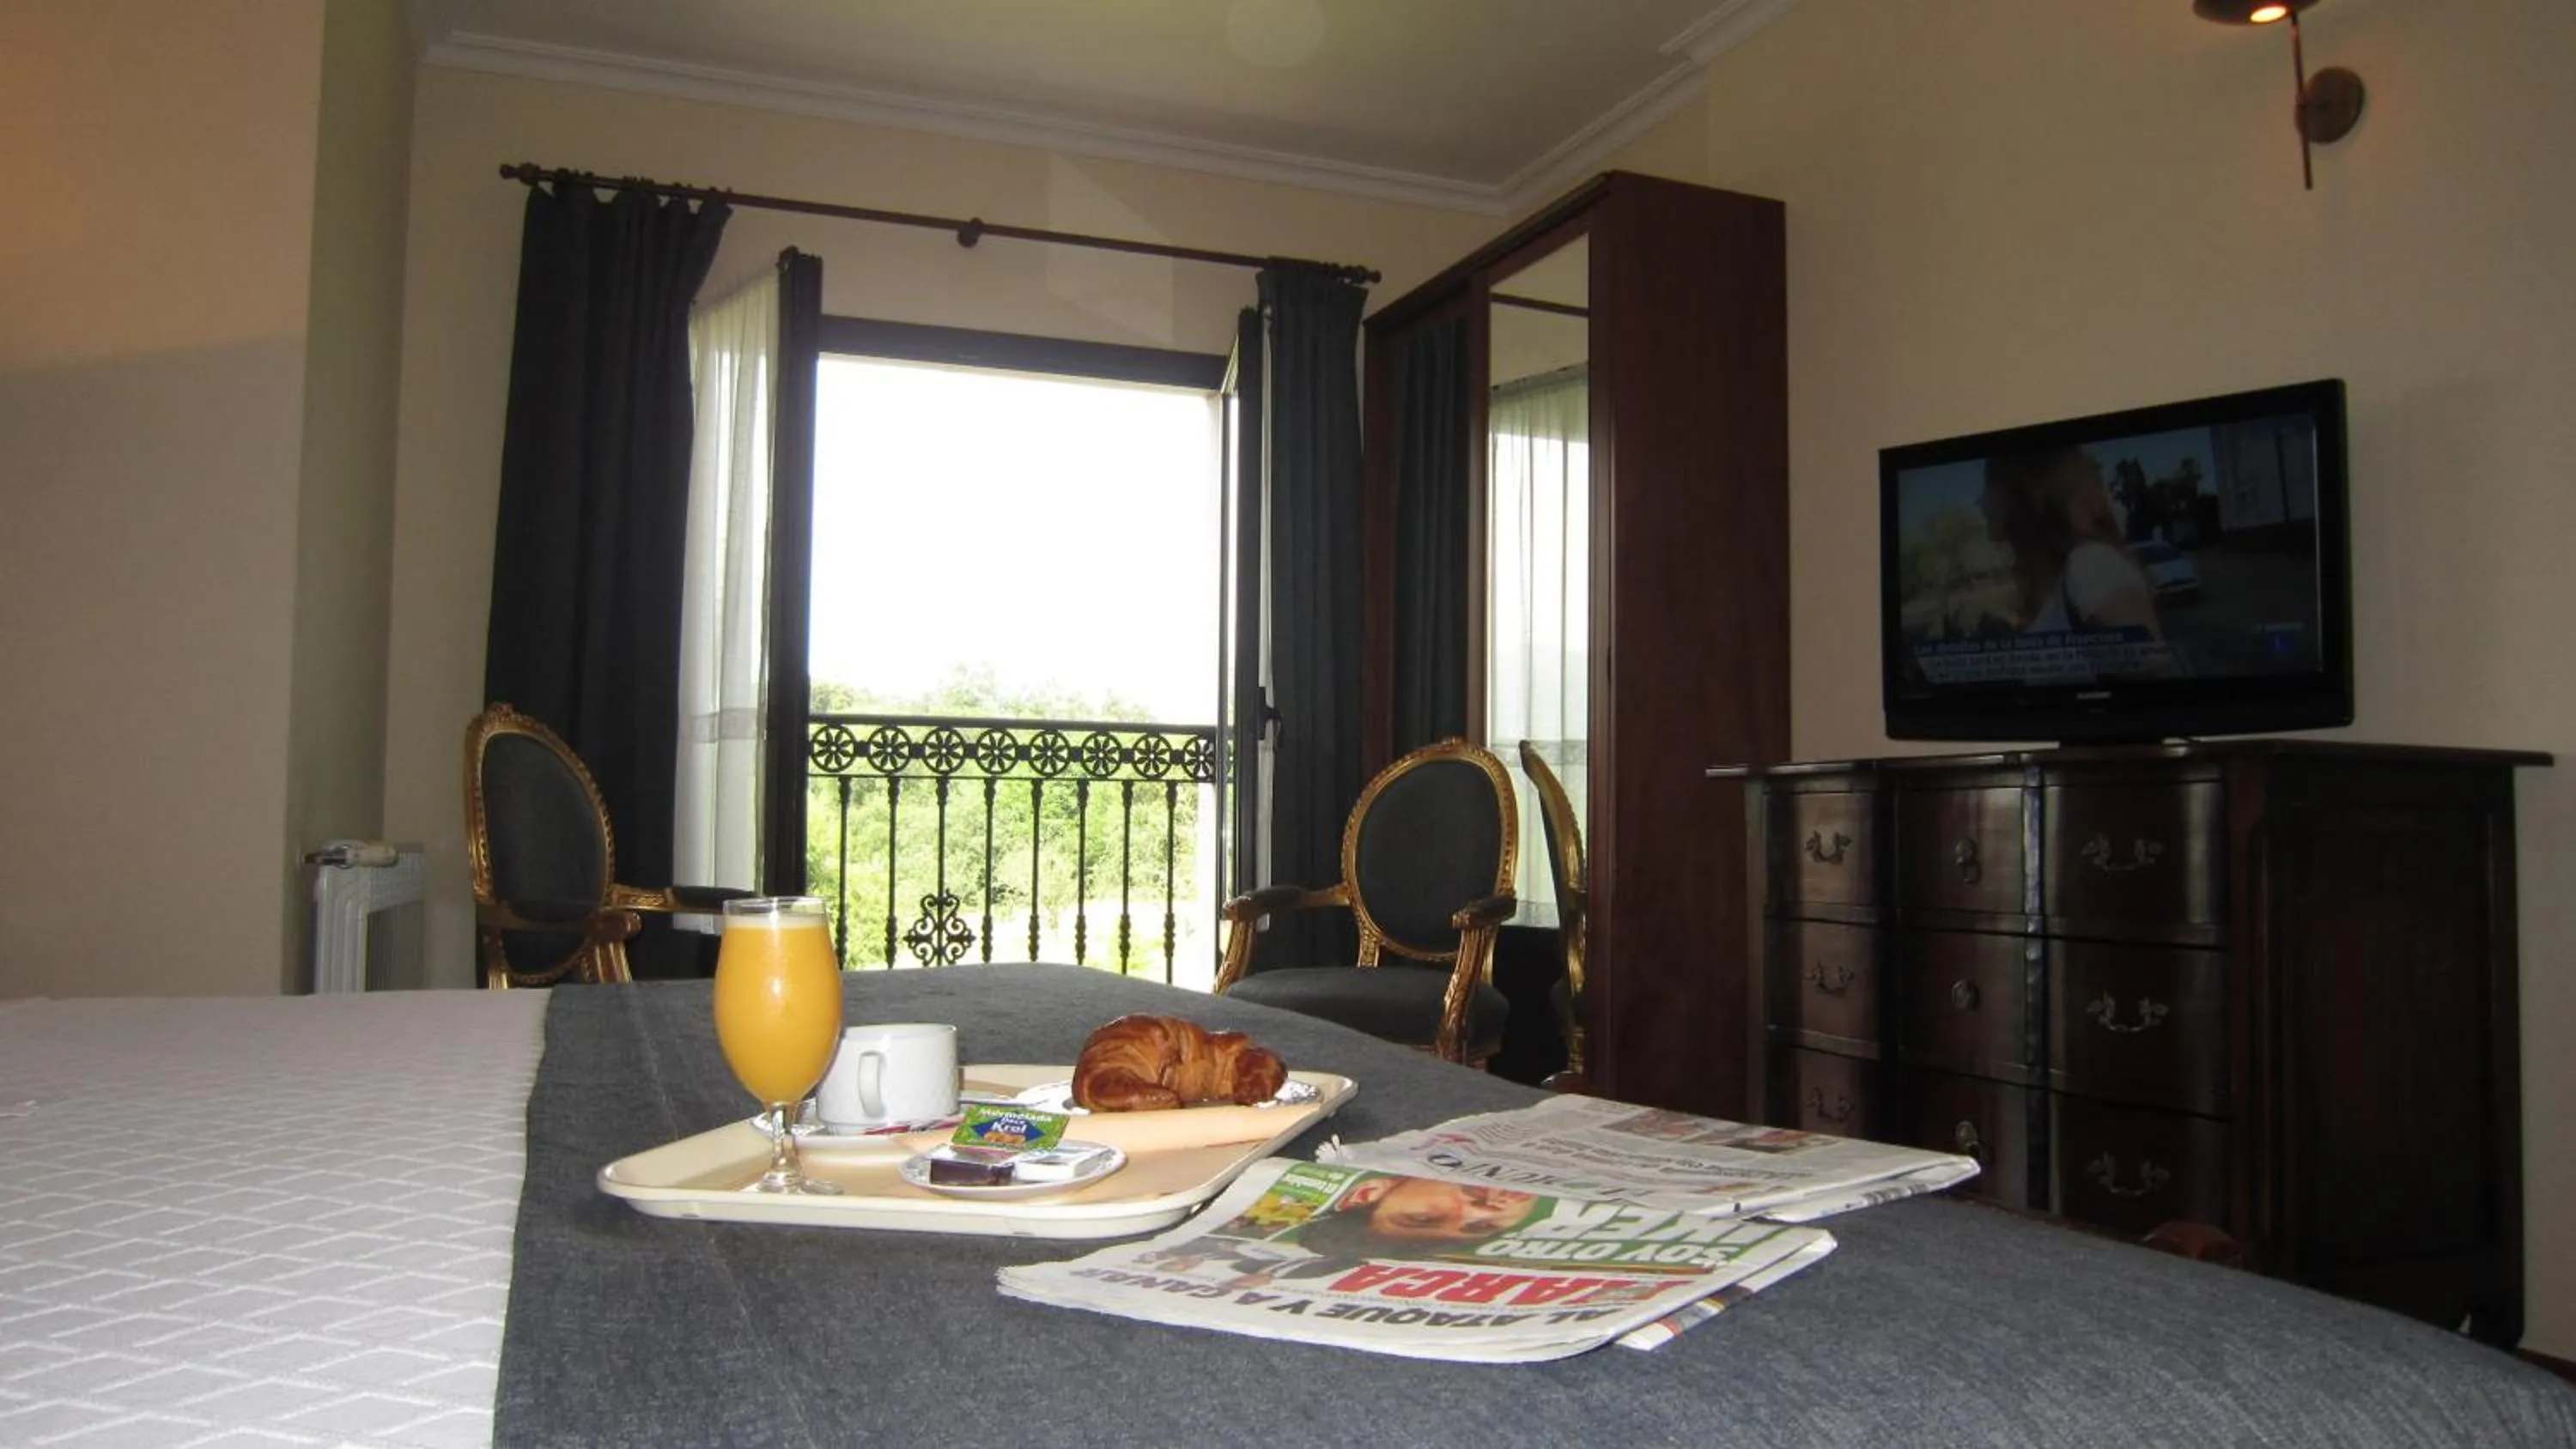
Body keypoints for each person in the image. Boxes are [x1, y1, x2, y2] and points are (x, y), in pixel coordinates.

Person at [1978, 445, 2166, 640]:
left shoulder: (2091, 563)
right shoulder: (2064, 577)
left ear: (2020, 492)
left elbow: (2155, 663)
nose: (1982, 502)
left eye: (1989, 486)